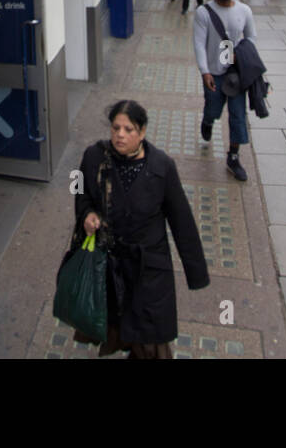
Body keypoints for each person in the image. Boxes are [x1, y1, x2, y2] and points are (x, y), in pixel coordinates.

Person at [74, 100, 209, 358]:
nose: (120, 135)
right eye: (116, 128)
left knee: (150, 340)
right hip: (109, 263)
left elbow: (182, 221)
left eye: (129, 129)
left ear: (142, 132)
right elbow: (79, 191)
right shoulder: (94, 157)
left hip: (149, 267)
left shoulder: (162, 167)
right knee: (118, 325)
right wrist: (87, 213)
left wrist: (196, 272)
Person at [193, 0, 257, 181]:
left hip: (235, 73)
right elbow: (199, 44)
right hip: (214, 73)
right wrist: (205, 71)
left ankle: (234, 156)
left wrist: (243, 55)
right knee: (213, 108)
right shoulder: (204, 12)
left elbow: (251, 38)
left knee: (238, 115)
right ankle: (208, 122)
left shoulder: (244, 11)